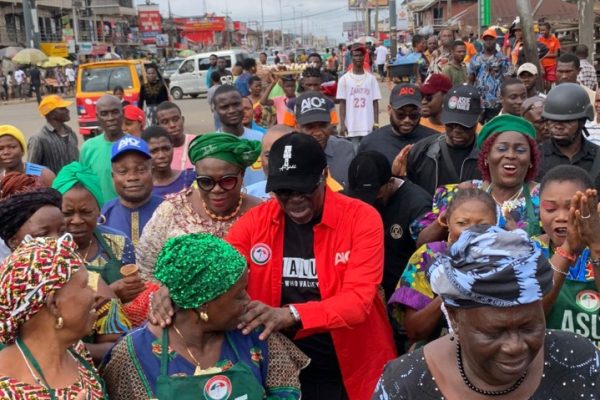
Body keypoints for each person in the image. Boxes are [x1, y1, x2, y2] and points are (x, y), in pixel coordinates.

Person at [219, 133, 396, 399]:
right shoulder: (256, 223)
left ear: (325, 175)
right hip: (277, 364)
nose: (294, 201)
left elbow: (358, 302)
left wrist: (290, 315)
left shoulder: (361, 219)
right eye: (284, 192)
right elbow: (219, 269)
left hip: (350, 362)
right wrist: (171, 291)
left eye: (304, 189)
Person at [373, 225, 600, 399]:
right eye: (494, 333)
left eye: (528, 327)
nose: (515, 346)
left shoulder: (579, 360)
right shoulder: (405, 383)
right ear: (454, 317)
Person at [103, 233, 308, 399]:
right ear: (203, 304)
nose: (248, 300)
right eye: (238, 295)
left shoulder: (256, 334)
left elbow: (286, 393)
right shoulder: (133, 355)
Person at [136, 133, 262, 281]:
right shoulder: (172, 210)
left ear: (242, 175)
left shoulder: (261, 213)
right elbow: (145, 271)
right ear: (196, 177)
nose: (216, 189)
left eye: (227, 181)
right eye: (206, 182)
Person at [388, 188, 497, 349]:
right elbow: (414, 331)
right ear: (448, 223)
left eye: (482, 225)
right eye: (462, 223)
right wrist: (450, 290)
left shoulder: (506, 258)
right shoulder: (428, 256)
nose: (471, 232)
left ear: (495, 224)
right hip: (438, 355)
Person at [0, 235, 106, 399]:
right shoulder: (7, 390)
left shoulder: (75, 351)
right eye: (85, 285)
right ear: (54, 305)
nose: (96, 294)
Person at [413, 114, 541, 246]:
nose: (510, 155)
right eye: (501, 148)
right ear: (486, 156)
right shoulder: (461, 193)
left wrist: (518, 236)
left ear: (531, 159)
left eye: (520, 150)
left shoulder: (545, 198)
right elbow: (422, 244)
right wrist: (448, 213)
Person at [346, 151, 432, 302]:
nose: (367, 202)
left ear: (390, 183)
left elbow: (426, 248)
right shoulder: (352, 199)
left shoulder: (416, 204)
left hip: (405, 295)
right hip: (366, 292)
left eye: (374, 194)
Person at [533, 165, 600, 347]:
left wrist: (596, 246)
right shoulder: (530, 250)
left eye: (572, 208)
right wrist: (568, 248)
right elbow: (532, 317)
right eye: (550, 208)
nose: (562, 217)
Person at [406, 84, 483, 196]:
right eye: (451, 124)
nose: (457, 130)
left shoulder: (488, 156)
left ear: (477, 119)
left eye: (464, 124)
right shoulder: (421, 152)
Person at [101, 135, 163, 246]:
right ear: (113, 176)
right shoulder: (103, 216)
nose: (132, 177)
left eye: (141, 169)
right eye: (123, 171)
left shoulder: (169, 212)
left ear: (152, 172)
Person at [359, 83, 437, 166]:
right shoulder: (371, 143)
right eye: (401, 114)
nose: (407, 120)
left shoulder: (434, 141)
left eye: (413, 115)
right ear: (389, 110)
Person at [538, 83, 600, 182]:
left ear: (582, 121)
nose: (558, 127)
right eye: (552, 121)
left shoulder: (597, 157)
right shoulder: (536, 157)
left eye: (566, 121)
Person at [294, 91, 355, 189]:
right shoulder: (288, 155)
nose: (318, 132)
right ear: (297, 128)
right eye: (310, 127)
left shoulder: (345, 149)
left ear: (330, 123)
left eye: (323, 125)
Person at [212, 85, 264, 186]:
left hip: (262, 201)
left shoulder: (261, 139)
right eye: (224, 107)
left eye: (236, 104)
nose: (232, 110)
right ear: (215, 110)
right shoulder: (211, 145)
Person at [80, 94, 125, 201]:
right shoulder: (88, 148)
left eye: (115, 112)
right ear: (97, 117)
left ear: (123, 113)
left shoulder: (135, 145)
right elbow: (84, 184)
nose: (111, 118)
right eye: (104, 114)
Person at [337, 43, 382, 140]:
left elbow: (375, 102)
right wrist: (342, 124)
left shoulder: (371, 79)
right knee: (353, 153)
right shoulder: (344, 80)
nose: (358, 58)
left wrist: (376, 123)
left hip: (368, 126)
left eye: (360, 55)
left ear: (364, 56)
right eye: (355, 55)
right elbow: (342, 104)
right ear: (351, 57)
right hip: (351, 127)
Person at [28, 95, 79, 174]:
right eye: (62, 108)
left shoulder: (71, 133)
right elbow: (32, 170)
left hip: (73, 184)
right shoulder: (38, 139)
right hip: (52, 186)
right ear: (51, 114)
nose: (67, 111)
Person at [468, 28, 510, 123]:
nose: (488, 41)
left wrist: (506, 98)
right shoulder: (476, 58)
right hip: (479, 101)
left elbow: (507, 80)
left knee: (494, 126)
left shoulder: (502, 59)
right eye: (486, 39)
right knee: (477, 127)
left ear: (495, 40)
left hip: (495, 102)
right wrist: (470, 95)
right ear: (483, 40)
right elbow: (471, 79)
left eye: (491, 39)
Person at [142, 126, 195, 198]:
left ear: (172, 147)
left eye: (166, 149)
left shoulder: (190, 178)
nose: (161, 156)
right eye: (154, 151)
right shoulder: (141, 187)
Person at [246, 124, 294, 200]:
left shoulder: (308, 196)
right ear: (260, 157)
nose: (276, 162)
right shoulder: (247, 195)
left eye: (283, 155)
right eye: (269, 156)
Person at [156, 101, 195, 171]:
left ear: (183, 120)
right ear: (158, 126)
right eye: (165, 122)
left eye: (175, 119)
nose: (172, 125)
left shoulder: (197, 143)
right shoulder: (156, 152)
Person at [556, 53, 596, 119]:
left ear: (578, 71)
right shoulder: (551, 96)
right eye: (560, 71)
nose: (564, 76)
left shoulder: (592, 97)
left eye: (568, 71)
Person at [538, 22, 561, 92]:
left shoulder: (555, 40)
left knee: (549, 84)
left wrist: (544, 55)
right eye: (541, 30)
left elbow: (556, 54)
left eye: (544, 30)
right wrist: (541, 66)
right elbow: (537, 55)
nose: (542, 32)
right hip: (541, 64)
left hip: (551, 65)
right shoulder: (539, 40)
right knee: (541, 83)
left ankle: (548, 96)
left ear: (549, 30)